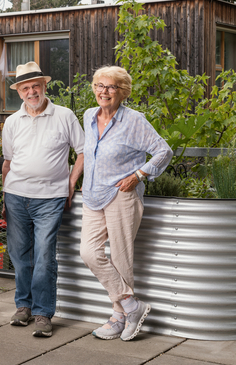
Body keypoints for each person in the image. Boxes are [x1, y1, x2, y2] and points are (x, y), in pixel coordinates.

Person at [80, 66, 173, 341]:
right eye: (99, 85)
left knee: (121, 259)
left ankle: (119, 317)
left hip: (122, 194)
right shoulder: (88, 116)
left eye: (111, 87)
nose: (103, 92)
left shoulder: (134, 120)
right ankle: (132, 306)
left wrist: (139, 174)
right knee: (88, 252)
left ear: (122, 92)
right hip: (93, 194)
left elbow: (163, 151)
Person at [1, 61, 85, 337]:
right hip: (16, 197)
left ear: (44, 86)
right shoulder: (12, 122)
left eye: (35, 86)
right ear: (19, 92)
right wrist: (4, 194)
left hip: (50, 198)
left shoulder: (64, 116)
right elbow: (8, 162)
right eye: (25, 88)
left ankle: (42, 313)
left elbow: (83, 152)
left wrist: (71, 184)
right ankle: (23, 307)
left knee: (45, 255)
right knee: (19, 256)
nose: (31, 92)